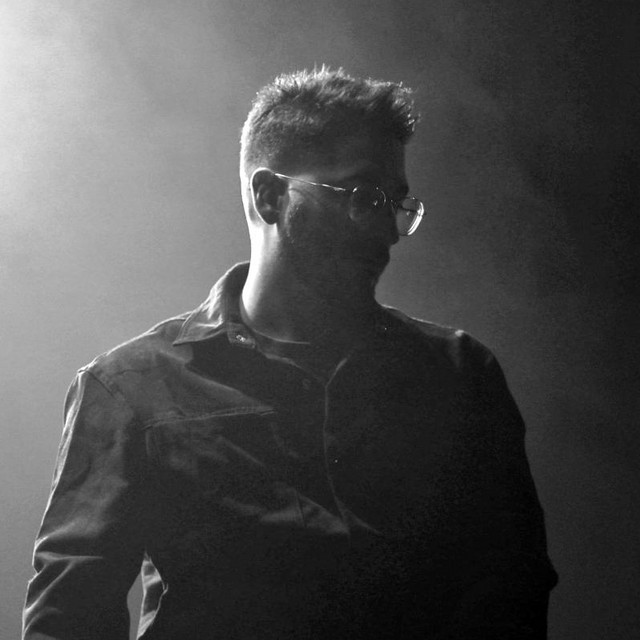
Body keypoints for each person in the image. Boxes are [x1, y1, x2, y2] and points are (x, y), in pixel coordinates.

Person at [23, 67, 558, 640]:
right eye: (363, 196)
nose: (388, 231)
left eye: (396, 202)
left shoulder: (461, 376)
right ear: (270, 196)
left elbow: (510, 591)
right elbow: (69, 618)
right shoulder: (130, 388)